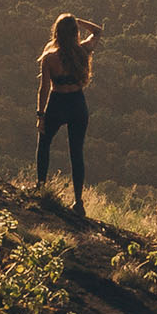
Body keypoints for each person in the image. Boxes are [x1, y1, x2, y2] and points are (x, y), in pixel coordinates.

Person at [34, 12, 98, 204]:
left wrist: (41, 115)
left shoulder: (49, 58)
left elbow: (44, 89)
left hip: (58, 102)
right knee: (76, 152)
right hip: (78, 103)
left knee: (44, 144)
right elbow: (97, 31)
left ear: (57, 33)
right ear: (75, 33)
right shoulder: (83, 50)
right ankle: (78, 201)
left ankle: (41, 187)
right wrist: (77, 21)